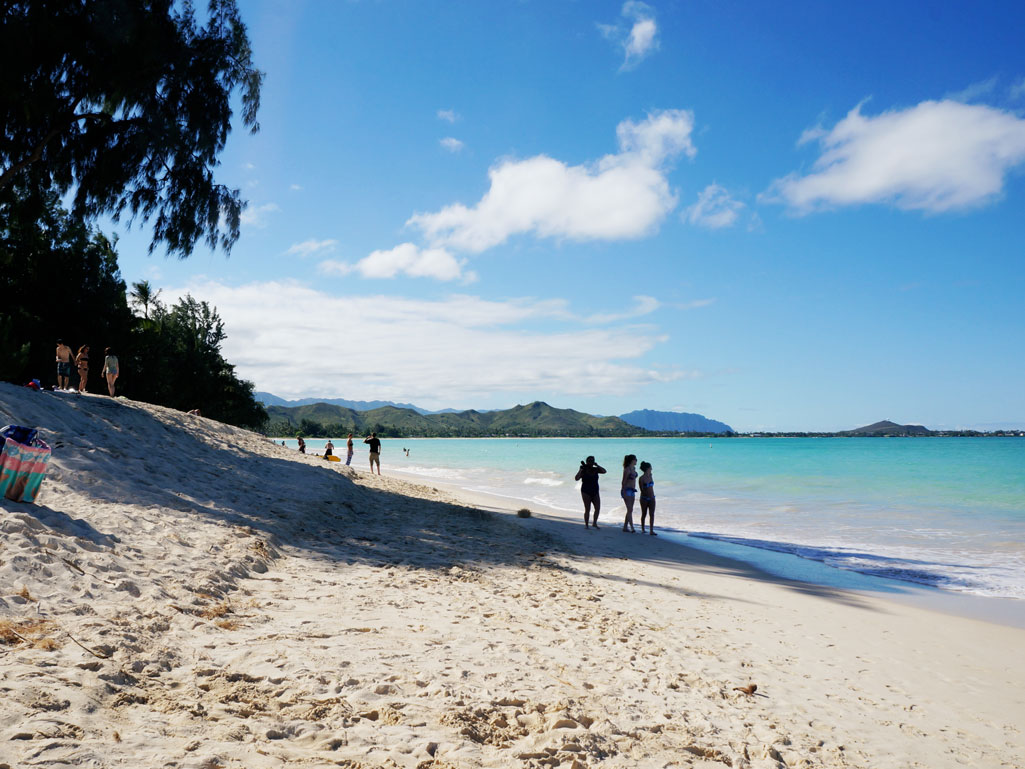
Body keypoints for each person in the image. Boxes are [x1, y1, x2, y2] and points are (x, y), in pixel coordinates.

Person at [574, 456, 607, 529]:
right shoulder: (583, 470)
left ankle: (594, 523)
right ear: (586, 462)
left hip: (595, 491)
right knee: (587, 509)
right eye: (589, 461)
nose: (591, 462)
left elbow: (604, 471)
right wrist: (580, 470)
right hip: (586, 491)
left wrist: (597, 465)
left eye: (592, 461)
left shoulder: (595, 469)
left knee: (597, 508)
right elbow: (576, 478)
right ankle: (586, 525)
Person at [639, 461, 657, 536]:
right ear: (647, 469)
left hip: (652, 497)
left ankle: (651, 530)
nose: (651, 469)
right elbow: (641, 489)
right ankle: (643, 529)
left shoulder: (650, 476)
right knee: (644, 513)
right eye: (650, 468)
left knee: (652, 514)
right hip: (644, 498)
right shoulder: (641, 478)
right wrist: (646, 496)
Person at [621, 454, 638, 533]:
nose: (636, 461)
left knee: (630, 510)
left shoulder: (633, 469)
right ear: (632, 460)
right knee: (630, 509)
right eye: (635, 459)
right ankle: (632, 527)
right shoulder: (627, 469)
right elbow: (623, 481)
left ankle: (625, 527)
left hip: (632, 490)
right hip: (627, 490)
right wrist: (623, 491)